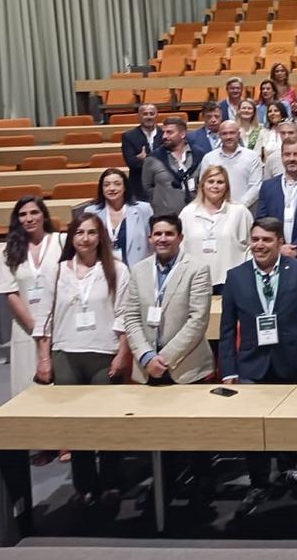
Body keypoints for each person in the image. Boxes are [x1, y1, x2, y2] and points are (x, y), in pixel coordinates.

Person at [218, 214, 297, 514]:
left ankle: (288, 469)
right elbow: (226, 329)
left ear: (280, 243)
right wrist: (229, 369)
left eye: (266, 240)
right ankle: (259, 480)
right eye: (256, 239)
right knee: (253, 426)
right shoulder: (236, 276)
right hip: (251, 363)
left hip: (290, 359)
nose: (259, 245)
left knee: (288, 421)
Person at [31, 213, 132, 508]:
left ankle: (112, 479)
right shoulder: (58, 271)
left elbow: (124, 314)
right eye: (79, 233)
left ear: (100, 236)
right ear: (71, 238)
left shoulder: (117, 269)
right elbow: (44, 317)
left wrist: (123, 353)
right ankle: (85, 484)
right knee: (76, 425)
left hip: (104, 353)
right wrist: (44, 358)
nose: (85, 238)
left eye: (91, 232)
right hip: (66, 354)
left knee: (106, 423)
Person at [123, 213, 214, 392]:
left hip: (186, 369)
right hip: (146, 368)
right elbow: (131, 317)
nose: (162, 239)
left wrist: (163, 359)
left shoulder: (197, 269)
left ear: (180, 238)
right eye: (157, 234)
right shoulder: (138, 270)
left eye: (169, 234)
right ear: (150, 238)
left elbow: (197, 321)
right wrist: (147, 357)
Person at [0, 197, 64, 400]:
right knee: (28, 389)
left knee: (61, 390)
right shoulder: (7, 252)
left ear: (44, 215)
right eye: (23, 214)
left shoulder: (61, 241)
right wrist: (38, 331)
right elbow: (11, 294)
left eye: (34, 212)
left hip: (60, 324)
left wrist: (49, 330)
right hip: (26, 329)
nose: (29, 218)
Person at [181, 165, 253, 291]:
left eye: (220, 182)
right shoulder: (187, 213)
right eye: (210, 181)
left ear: (226, 187)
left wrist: (246, 275)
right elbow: (180, 248)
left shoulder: (240, 212)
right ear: (202, 185)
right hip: (196, 282)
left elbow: (251, 246)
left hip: (232, 282)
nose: (215, 186)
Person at [143, 116, 210, 216]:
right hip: (165, 217)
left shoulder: (199, 155)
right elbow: (147, 187)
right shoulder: (153, 159)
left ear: (182, 134)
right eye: (163, 132)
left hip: (196, 215)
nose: (164, 136)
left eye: (169, 132)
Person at [85, 168, 153, 266]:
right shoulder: (91, 212)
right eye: (107, 185)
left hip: (135, 268)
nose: (112, 188)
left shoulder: (143, 209)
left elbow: (151, 242)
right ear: (102, 189)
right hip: (103, 269)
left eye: (117, 184)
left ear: (125, 187)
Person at [200, 120, 263, 209]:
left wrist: (238, 208)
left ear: (238, 134)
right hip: (215, 210)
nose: (228, 137)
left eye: (232, 133)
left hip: (245, 210)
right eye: (224, 134)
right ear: (219, 135)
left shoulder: (252, 156)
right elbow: (204, 185)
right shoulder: (209, 158)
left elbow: (256, 186)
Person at [120, 103, 161, 201]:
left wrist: (144, 160)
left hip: (162, 185)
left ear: (157, 115)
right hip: (139, 186)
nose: (149, 117)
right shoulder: (129, 136)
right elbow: (131, 163)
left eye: (152, 114)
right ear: (139, 116)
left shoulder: (165, 134)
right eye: (145, 114)